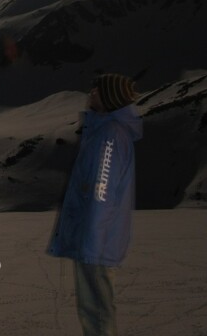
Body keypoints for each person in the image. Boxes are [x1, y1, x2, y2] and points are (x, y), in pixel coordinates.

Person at [47, 73, 143, 336]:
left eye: (97, 90)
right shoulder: (103, 130)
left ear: (109, 97)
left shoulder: (110, 135)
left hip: (96, 242)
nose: (90, 93)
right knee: (93, 309)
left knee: (97, 311)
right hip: (95, 239)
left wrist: (91, 244)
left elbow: (103, 191)